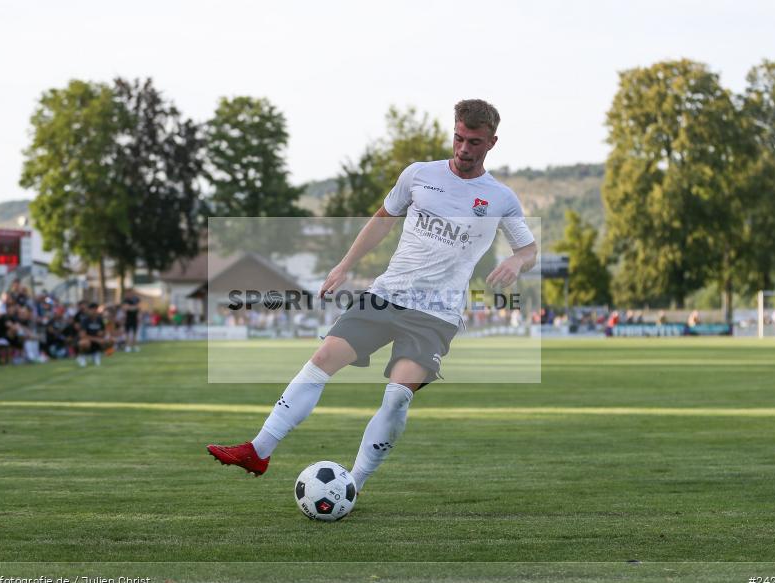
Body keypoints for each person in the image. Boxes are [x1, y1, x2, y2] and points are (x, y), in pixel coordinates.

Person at [207, 99, 538, 491]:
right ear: (454, 133)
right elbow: (382, 221)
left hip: (436, 314)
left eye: (475, 142)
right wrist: (344, 265)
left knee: (397, 397)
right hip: (386, 295)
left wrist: (518, 264)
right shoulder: (418, 175)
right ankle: (258, 450)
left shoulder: (500, 198)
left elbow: (529, 250)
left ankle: (353, 484)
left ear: (492, 143)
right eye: (459, 138)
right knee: (321, 359)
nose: (464, 149)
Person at [77, 302, 108, 367]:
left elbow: (104, 331)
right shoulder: (85, 320)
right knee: (84, 343)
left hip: (97, 340)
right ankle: (82, 356)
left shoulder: (100, 320)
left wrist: (102, 333)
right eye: (92, 310)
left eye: (95, 309)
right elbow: (82, 335)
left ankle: (96, 354)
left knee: (109, 341)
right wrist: (96, 339)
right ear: (89, 310)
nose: (94, 311)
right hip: (88, 340)